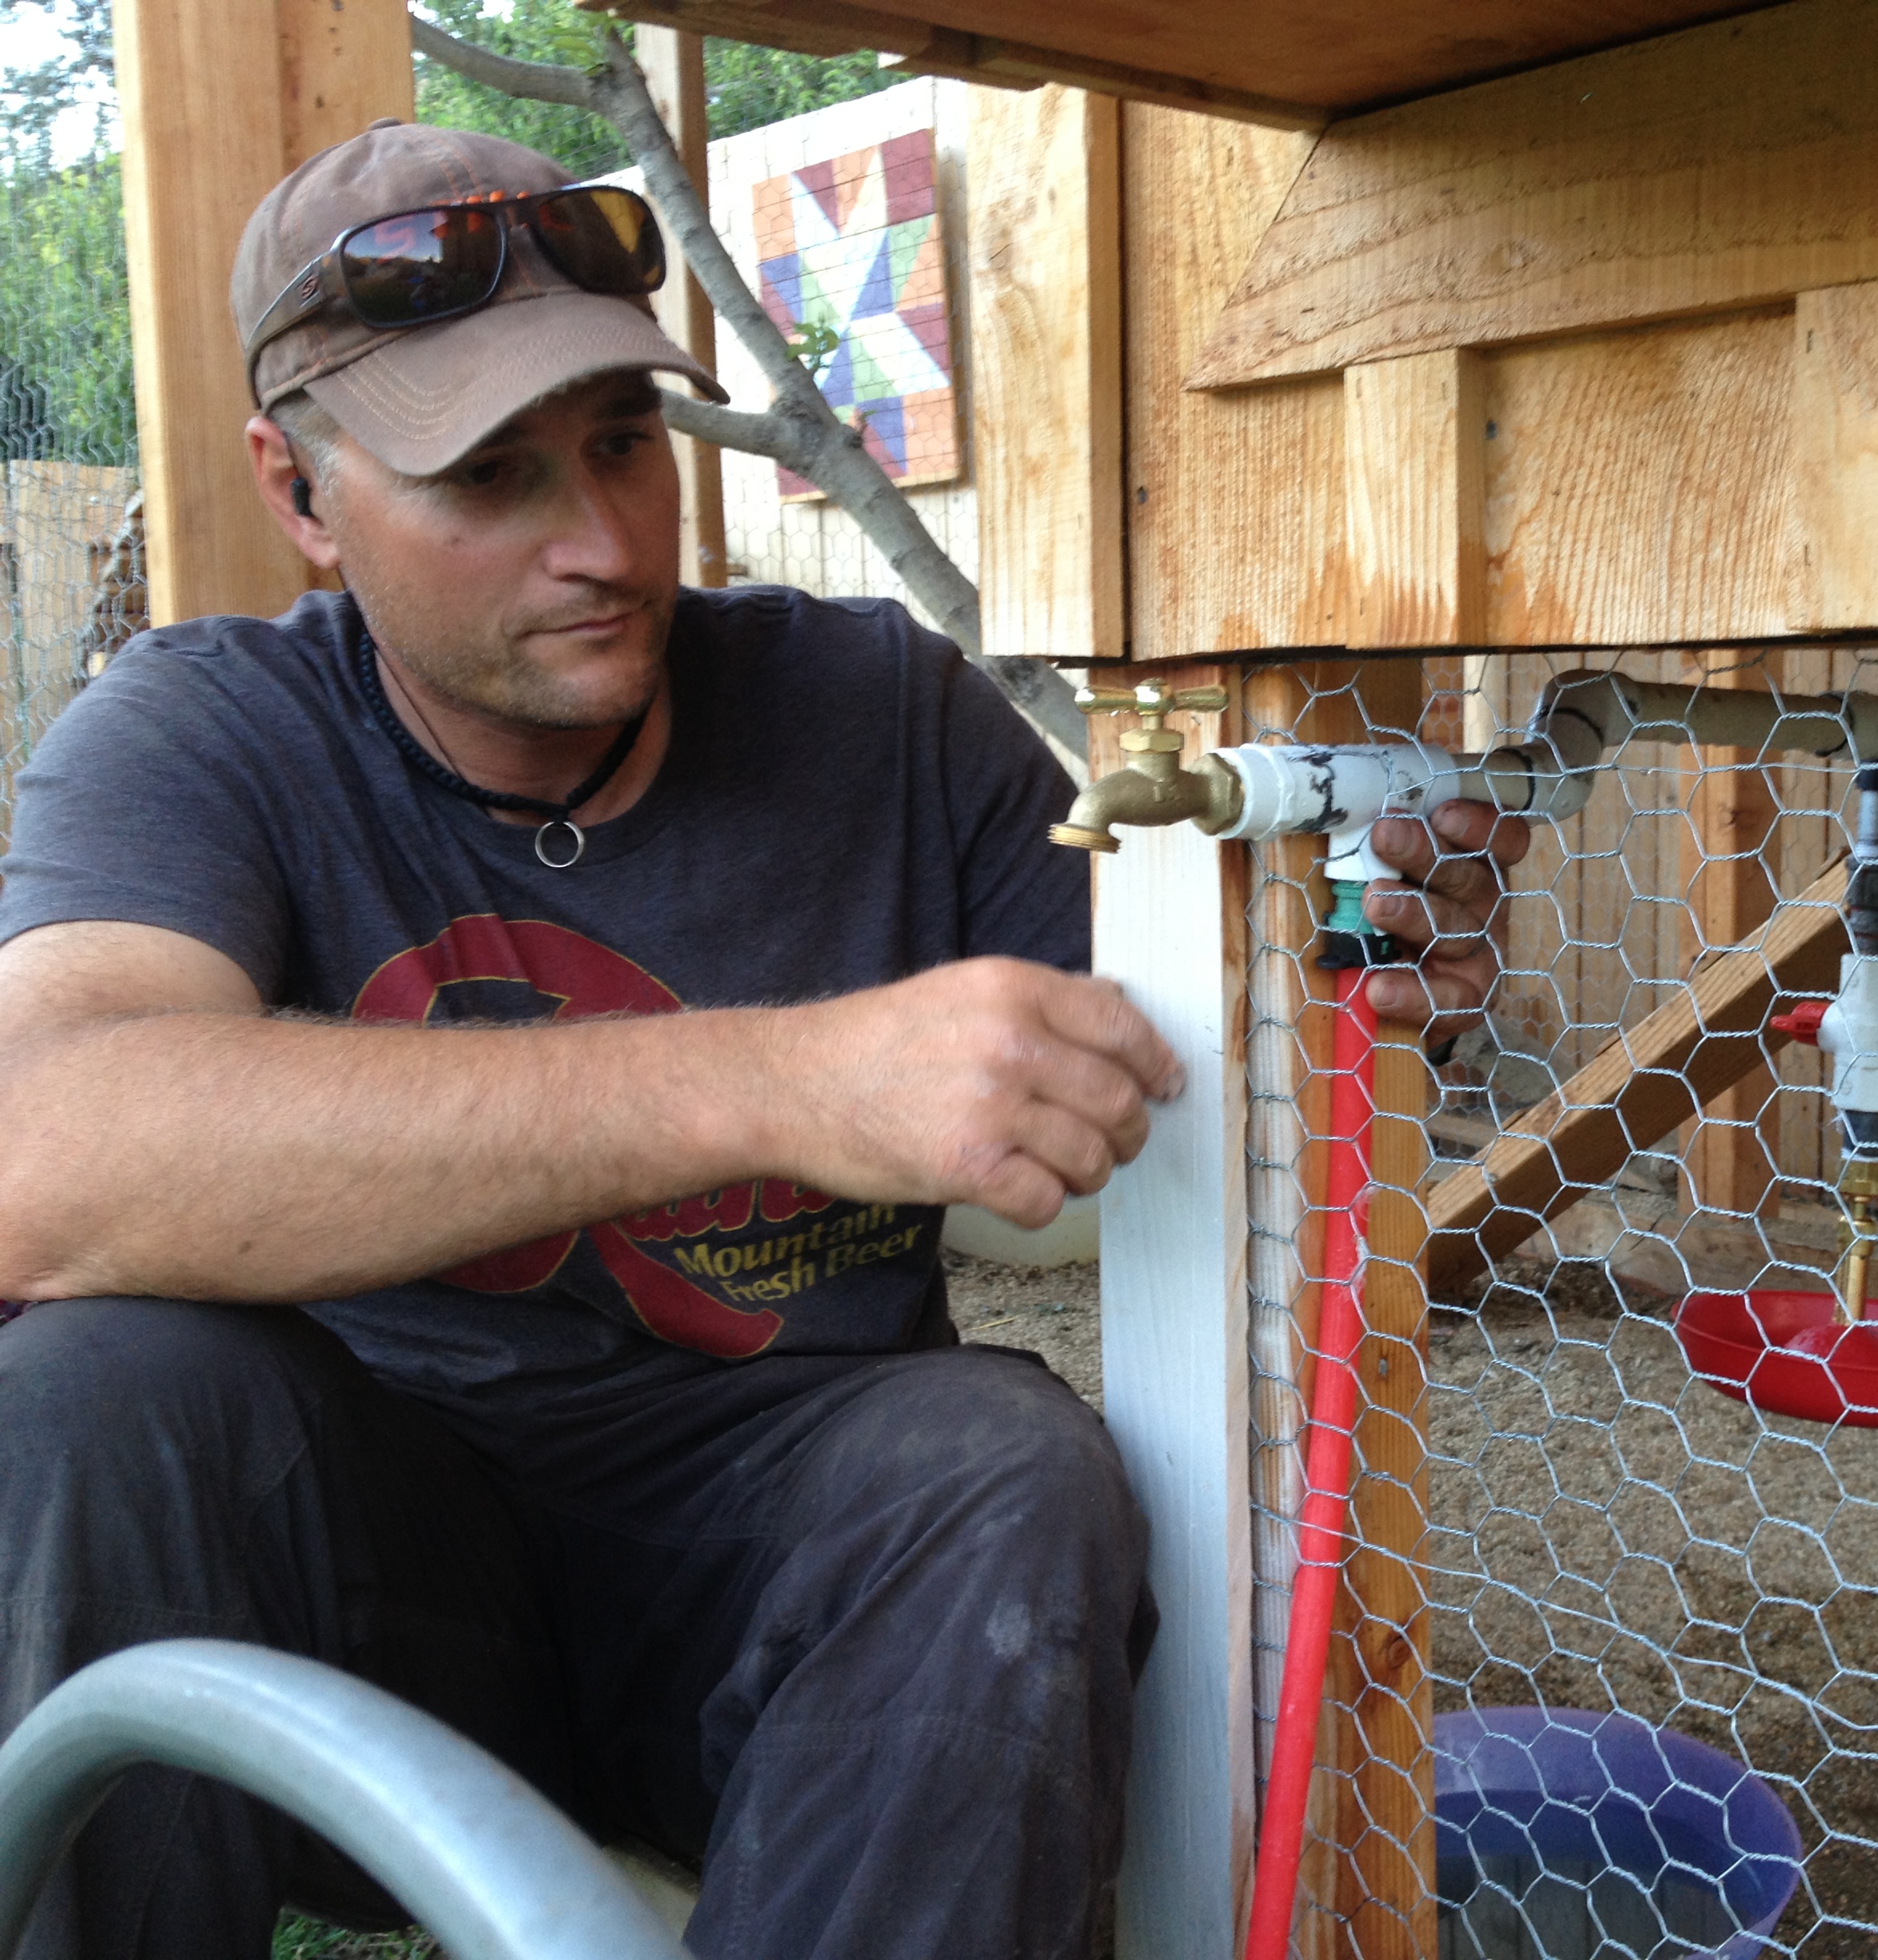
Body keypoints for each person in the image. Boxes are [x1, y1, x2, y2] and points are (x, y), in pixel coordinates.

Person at [0, 121, 1523, 1960]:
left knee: (998, 1454)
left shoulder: (875, 707)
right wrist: (792, 1075)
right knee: (101, 1396)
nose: (599, 540)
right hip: (364, 1573)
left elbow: (1163, 1065)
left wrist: (1348, 963)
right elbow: (43, 1157)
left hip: (795, 1591)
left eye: (625, 444)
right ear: (302, 498)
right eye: (489, 476)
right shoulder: (203, 733)